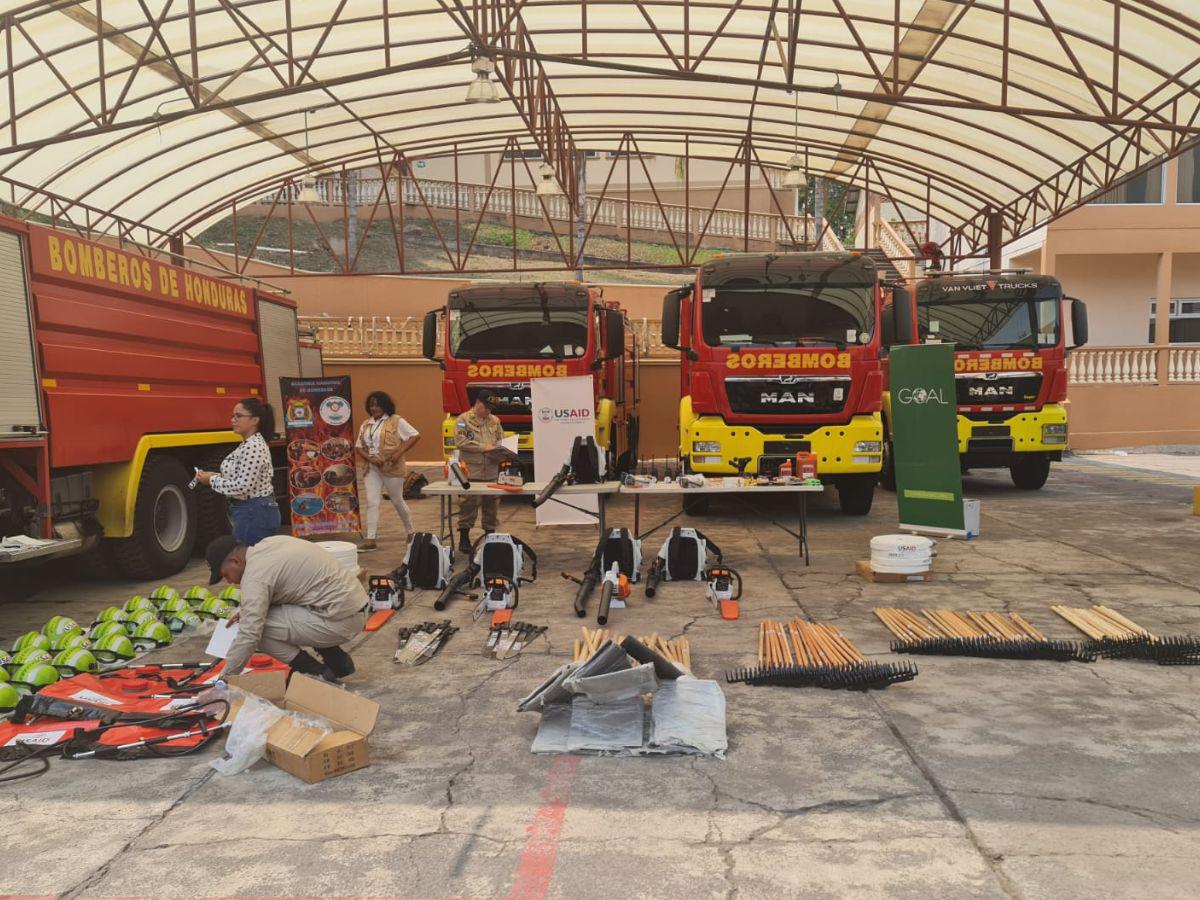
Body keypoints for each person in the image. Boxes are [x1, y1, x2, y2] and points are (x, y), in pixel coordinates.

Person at [205, 534, 367, 682]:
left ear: (235, 561)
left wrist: (225, 680)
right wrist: (247, 611)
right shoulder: (269, 544)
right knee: (262, 616)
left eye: (226, 575)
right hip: (351, 606)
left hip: (342, 620)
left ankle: (317, 672)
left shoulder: (255, 576)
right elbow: (287, 587)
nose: (229, 581)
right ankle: (337, 661)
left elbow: (249, 634)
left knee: (258, 630)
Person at [195, 398, 280, 546]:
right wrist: (214, 476)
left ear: (254, 420)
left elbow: (242, 487)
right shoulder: (249, 444)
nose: (233, 420)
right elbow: (242, 477)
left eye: (238, 416)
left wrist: (211, 480)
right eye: (233, 416)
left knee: (248, 561)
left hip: (254, 513)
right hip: (253, 511)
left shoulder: (253, 446)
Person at [355, 390, 420, 551]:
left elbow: (415, 435)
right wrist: (370, 459)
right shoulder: (366, 424)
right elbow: (358, 447)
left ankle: (411, 532)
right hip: (372, 468)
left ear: (385, 405)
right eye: (371, 405)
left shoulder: (396, 421)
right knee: (372, 501)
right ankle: (371, 539)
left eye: (377, 405)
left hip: (391, 467)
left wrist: (398, 454)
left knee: (397, 500)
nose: (374, 408)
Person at [454, 389, 506, 553]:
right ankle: (464, 539)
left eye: (491, 408)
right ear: (477, 403)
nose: (489, 411)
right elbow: (461, 442)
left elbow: (500, 440)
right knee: (468, 505)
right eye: (486, 407)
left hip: (491, 471)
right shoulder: (463, 420)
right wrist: (485, 448)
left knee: (492, 507)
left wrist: (502, 453)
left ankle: (490, 538)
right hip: (471, 472)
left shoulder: (495, 421)